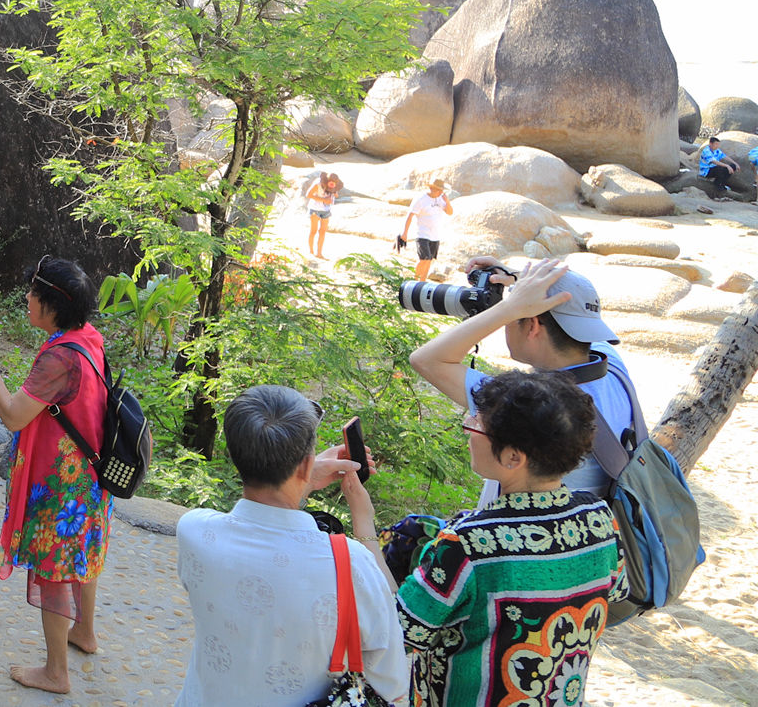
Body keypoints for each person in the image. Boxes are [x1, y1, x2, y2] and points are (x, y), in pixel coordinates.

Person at [397, 370, 628, 707]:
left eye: (476, 424)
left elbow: (396, 632)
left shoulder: (467, 543)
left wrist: (365, 529)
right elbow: (616, 590)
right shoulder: (599, 517)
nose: (468, 429)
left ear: (513, 457)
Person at [173, 386, 407, 706]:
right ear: (306, 463)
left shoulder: (194, 531)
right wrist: (363, 521)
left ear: (233, 454)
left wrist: (303, 478)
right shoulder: (350, 564)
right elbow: (391, 682)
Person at [0, 255, 113, 695]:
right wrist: (15, 399)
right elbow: (57, 402)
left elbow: (16, 416)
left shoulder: (59, 358)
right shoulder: (86, 337)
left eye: (33, 294)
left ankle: (56, 673)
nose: (27, 300)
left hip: (63, 488)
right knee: (81, 561)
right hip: (91, 478)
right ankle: (83, 632)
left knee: (54, 568)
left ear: (52, 304)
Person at [408, 257, 635, 507]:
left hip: (517, 541)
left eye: (513, 316)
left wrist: (509, 307)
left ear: (532, 325)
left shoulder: (526, 404)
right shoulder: (613, 369)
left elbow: (426, 360)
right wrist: (518, 280)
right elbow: (574, 308)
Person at [400, 179, 454, 282]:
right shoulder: (421, 199)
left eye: (441, 190)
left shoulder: (441, 199)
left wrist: (447, 201)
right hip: (422, 234)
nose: (440, 192)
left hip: (435, 235)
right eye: (438, 190)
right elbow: (410, 215)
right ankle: (414, 279)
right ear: (431, 188)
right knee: (425, 258)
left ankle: (422, 282)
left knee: (429, 260)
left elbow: (450, 212)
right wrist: (405, 232)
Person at [306, 172, 340, 259]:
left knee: (322, 232)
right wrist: (323, 199)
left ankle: (319, 253)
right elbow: (308, 195)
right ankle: (311, 252)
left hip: (326, 210)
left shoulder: (334, 185)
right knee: (313, 231)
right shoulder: (318, 183)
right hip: (314, 209)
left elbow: (336, 195)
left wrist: (334, 193)